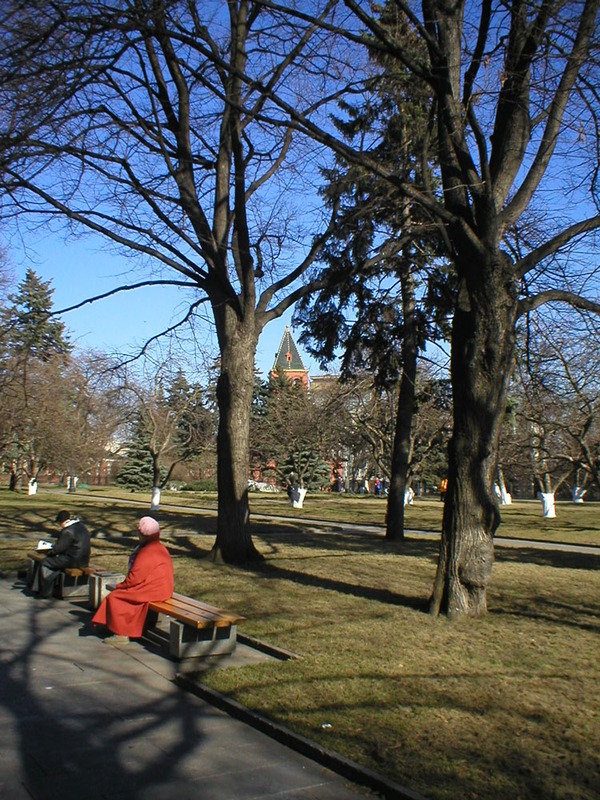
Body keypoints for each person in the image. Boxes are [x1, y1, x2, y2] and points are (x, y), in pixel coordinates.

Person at [92, 516, 174, 639]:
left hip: (154, 590)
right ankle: (110, 625)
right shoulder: (159, 548)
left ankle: (121, 633)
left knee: (116, 597)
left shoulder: (147, 552)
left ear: (143, 534)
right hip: (162, 588)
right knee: (119, 594)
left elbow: (134, 579)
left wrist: (120, 586)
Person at [29, 510, 91, 598]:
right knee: (54, 562)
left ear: (62, 522)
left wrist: (47, 552)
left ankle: (44, 591)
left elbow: (58, 549)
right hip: (84, 559)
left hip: (72, 560)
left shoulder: (67, 531)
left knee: (45, 562)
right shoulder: (81, 527)